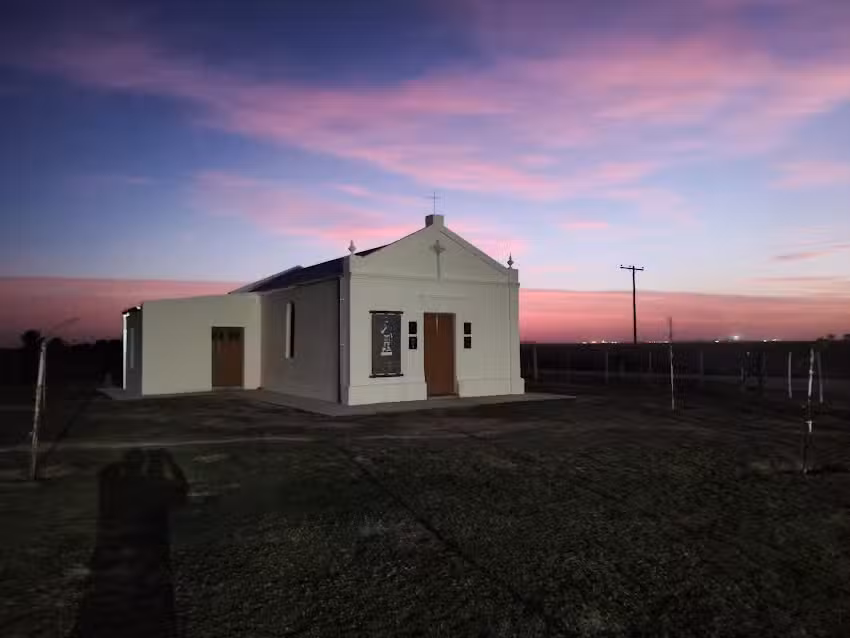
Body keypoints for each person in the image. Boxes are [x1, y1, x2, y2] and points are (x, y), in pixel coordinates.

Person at [71, 448, 188, 638]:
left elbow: (105, 473)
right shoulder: (154, 486)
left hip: (116, 553)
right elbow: (182, 491)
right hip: (148, 553)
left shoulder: (115, 486)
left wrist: (124, 465)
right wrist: (170, 463)